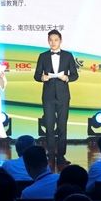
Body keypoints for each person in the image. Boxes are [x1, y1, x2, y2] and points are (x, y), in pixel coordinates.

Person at [33, 29, 78, 167]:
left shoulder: (68, 55)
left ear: (60, 41)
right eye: (51, 40)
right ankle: (51, 155)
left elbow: (75, 75)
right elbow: (36, 75)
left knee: (62, 126)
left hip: (63, 96)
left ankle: (61, 156)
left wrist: (67, 78)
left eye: (56, 40)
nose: (53, 42)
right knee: (49, 126)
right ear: (48, 41)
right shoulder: (43, 56)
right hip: (48, 96)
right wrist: (42, 78)